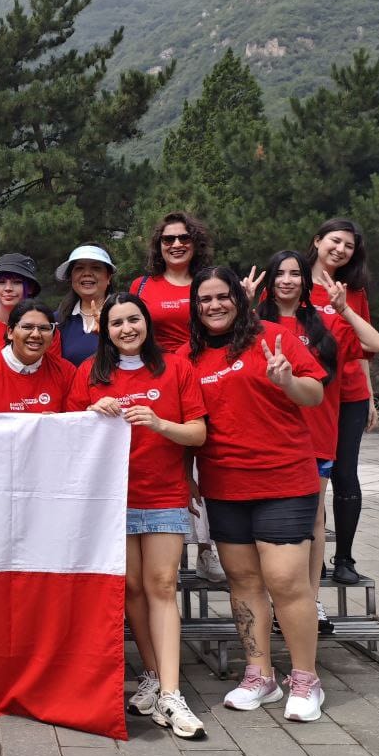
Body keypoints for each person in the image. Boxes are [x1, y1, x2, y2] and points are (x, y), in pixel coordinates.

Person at [186, 267, 328, 722]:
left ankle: (305, 679)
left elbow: (314, 395)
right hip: (225, 485)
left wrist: (286, 380)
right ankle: (259, 675)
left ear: (239, 298)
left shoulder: (273, 336)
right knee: (243, 581)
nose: (214, 305)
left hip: (283, 479)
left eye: (222, 296)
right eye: (204, 299)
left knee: (285, 581)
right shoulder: (188, 356)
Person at [67, 293, 207, 739]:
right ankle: (151, 674)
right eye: (117, 323)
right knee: (131, 588)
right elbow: (67, 433)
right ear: (105, 331)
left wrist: (160, 423)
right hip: (112, 499)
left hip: (163, 494)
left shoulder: (176, 368)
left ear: (146, 322)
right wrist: (91, 412)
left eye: (134, 320)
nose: (127, 329)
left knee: (161, 585)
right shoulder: (90, 373)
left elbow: (198, 433)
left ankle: (172, 693)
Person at [256, 250, 379, 632]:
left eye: (295, 274)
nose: (287, 280)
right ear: (269, 281)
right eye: (279, 273)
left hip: (315, 435)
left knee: (312, 518)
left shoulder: (325, 322)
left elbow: (375, 344)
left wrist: (344, 310)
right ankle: (274, 602)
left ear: (305, 281)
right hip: (263, 436)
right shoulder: (252, 324)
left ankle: (310, 600)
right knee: (264, 521)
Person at [130, 212, 224, 584]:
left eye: (183, 237)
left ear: (195, 241)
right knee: (170, 455)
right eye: (168, 239)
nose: (176, 244)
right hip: (158, 377)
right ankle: (181, 537)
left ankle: (207, 548)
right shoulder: (142, 285)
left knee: (207, 457)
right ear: (159, 245)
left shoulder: (206, 282)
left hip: (205, 373)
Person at [307, 218, 376, 585]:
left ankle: (345, 558)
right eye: (335, 241)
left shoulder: (354, 292)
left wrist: (370, 397)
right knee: (311, 474)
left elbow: (365, 347)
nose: (341, 250)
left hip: (349, 394)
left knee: (345, 473)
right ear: (318, 240)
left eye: (349, 246)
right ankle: (312, 556)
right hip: (311, 394)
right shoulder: (293, 282)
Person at [0, 300, 76, 414]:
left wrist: (57, 422)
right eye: (27, 327)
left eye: (44, 328)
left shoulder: (66, 372)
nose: (36, 334)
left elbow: (75, 420)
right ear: (10, 332)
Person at [54, 244, 116, 367]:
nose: (87, 273)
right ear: (71, 277)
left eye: (96, 268)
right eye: (79, 268)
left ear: (108, 277)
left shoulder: (125, 315)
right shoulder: (57, 320)